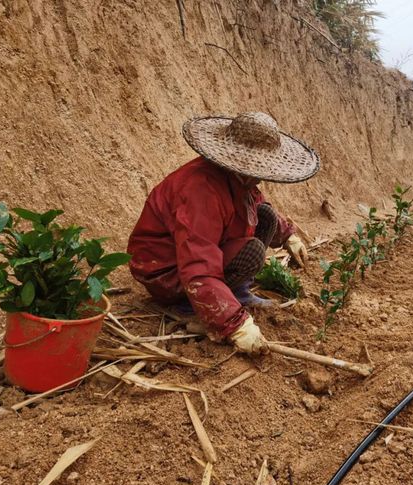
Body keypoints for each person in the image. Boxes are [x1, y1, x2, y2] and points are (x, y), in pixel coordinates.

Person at [127, 112, 320, 355]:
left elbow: (257, 202)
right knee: (252, 253)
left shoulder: (239, 180)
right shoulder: (201, 190)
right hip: (166, 271)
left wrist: (289, 235)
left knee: (265, 216)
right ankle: (188, 304)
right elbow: (197, 264)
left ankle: (238, 293)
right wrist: (233, 324)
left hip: (186, 258)